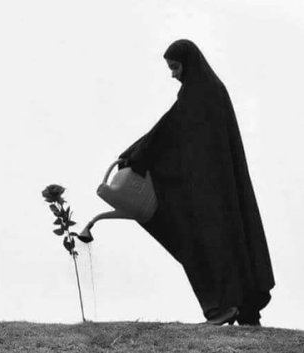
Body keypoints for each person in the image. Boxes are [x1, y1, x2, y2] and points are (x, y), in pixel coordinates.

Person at [89, 39, 275, 326]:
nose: (173, 74)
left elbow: (167, 132)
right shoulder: (208, 91)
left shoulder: (200, 95)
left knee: (207, 242)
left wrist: (134, 156)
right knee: (229, 242)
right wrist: (136, 153)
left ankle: (229, 307)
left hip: (210, 192)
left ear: (189, 63)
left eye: (175, 67)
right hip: (219, 189)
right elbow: (172, 131)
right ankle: (242, 310)